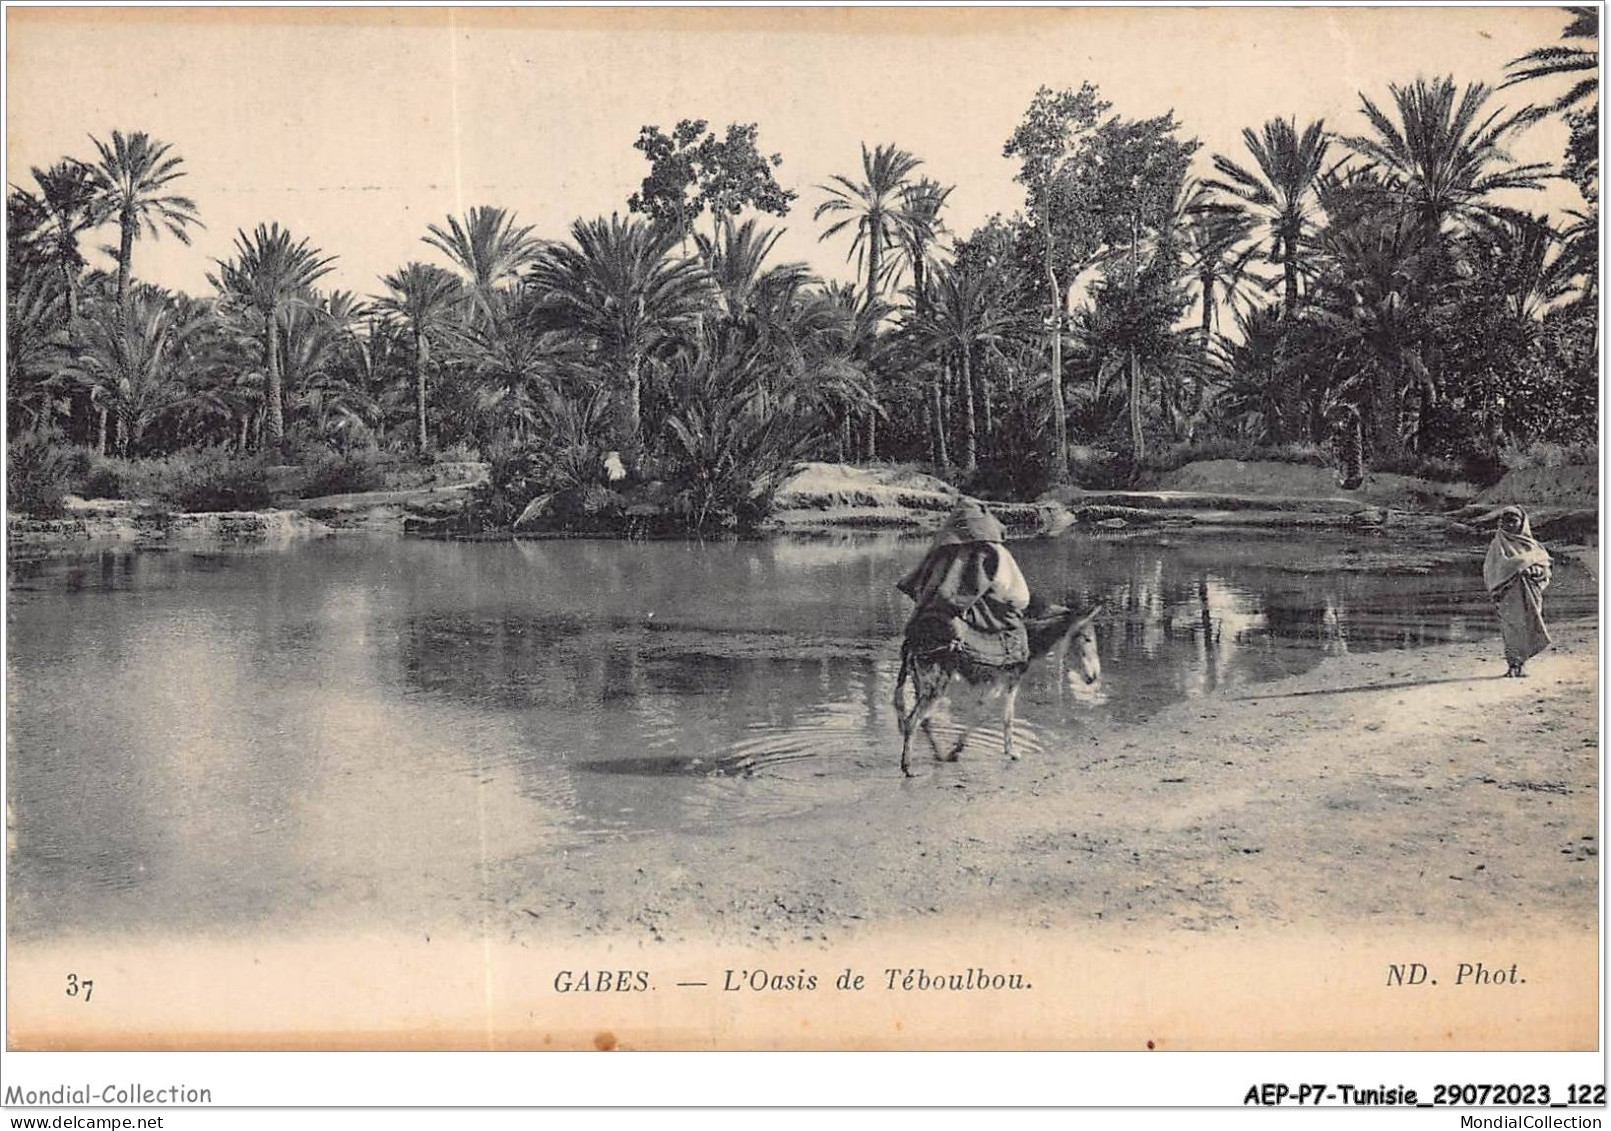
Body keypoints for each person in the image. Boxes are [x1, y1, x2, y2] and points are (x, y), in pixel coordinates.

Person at [895, 499, 1030, 670]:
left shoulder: (963, 552)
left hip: (983, 610)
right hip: (991, 611)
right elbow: (1020, 600)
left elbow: (935, 590)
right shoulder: (989, 553)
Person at [1484, 505, 1552, 678]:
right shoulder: (1497, 545)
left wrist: (1537, 572)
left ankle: (1523, 664)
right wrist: (1516, 571)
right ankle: (1513, 664)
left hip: (1530, 592)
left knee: (1528, 625)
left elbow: (1545, 568)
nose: (1509, 525)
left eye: (1514, 521)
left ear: (1522, 523)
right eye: (1505, 521)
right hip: (1508, 594)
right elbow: (1492, 570)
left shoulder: (1533, 546)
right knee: (1512, 628)